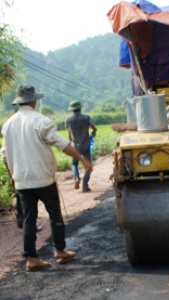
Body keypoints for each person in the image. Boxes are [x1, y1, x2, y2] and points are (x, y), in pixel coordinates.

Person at [1, 84, 93, 271]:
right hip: (43, 178)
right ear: (34, 99)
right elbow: (62, 144)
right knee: (54, 213)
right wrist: (82, 158)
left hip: (22, 180)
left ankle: (32, 260)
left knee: (29, 219)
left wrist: (12, 177)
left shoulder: (8, 124)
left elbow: (5, 156)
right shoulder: (40, 121)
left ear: (19, 101)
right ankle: (60, 250)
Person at [66, 101, 97, 192]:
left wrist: (70, 142)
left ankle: (76, 177)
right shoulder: (86, 118)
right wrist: (93, 132)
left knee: (74, 164)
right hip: (86, 146)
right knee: (88, 166)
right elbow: (94, 128)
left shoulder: (68, 119)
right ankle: (85, 185)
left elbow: (69, 133)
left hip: (75, 147)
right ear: (80, 108)